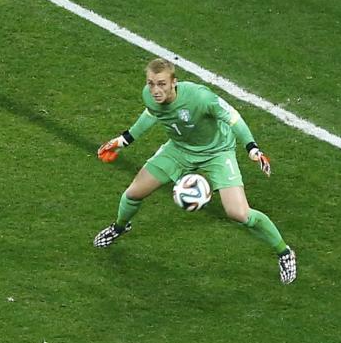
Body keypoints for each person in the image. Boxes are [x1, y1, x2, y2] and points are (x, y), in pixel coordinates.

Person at [95, 58, 297, 285]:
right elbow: (151, 114)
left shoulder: (200, 97)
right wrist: (124, 140)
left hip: (217, 152)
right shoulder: (149, 96)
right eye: (150, 83)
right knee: (133, 193)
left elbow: (233, 118)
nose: (155, 90)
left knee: (239, 213)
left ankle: (284, 252)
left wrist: (252, 148)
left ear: (174, 83)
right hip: (179, 150)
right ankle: (120, 227)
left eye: (161, 83)